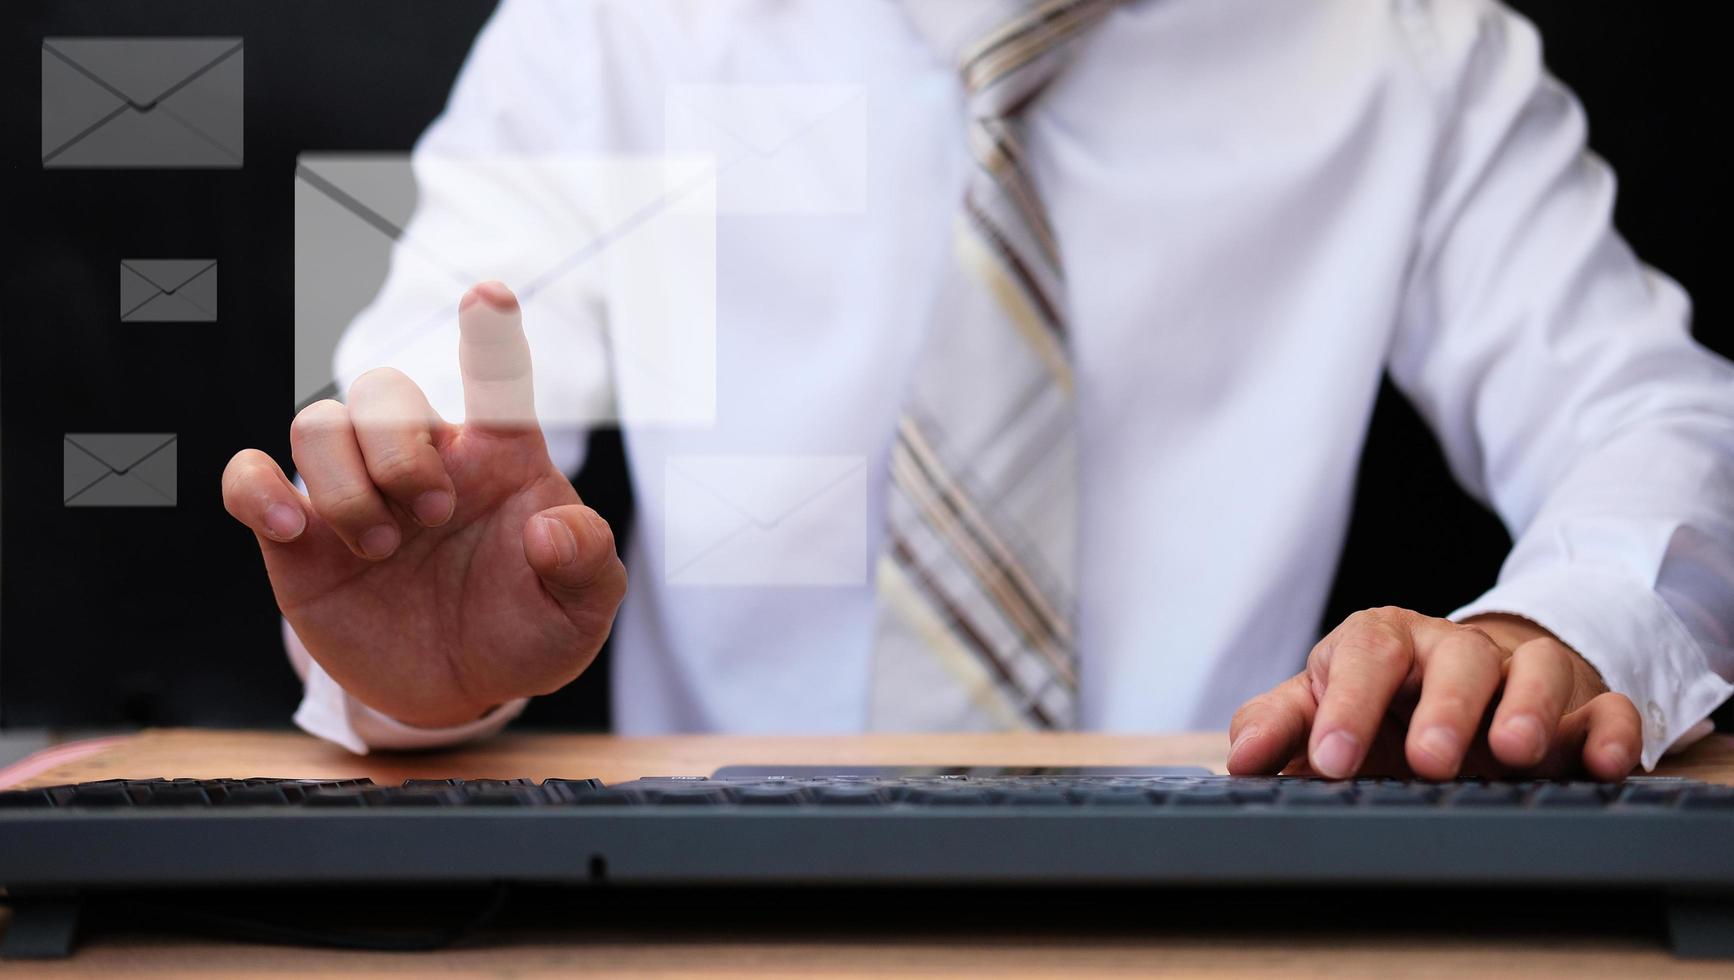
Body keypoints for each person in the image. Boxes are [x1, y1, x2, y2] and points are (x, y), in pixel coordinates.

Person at [223, 0, 1734, 779]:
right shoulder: (621, 30)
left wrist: (1556, 627)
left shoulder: (1404, 47)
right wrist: (412, 668)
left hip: (1232, 903)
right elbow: (421, 440)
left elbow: (1656, 423)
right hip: (696, 923)